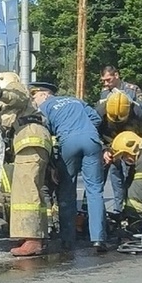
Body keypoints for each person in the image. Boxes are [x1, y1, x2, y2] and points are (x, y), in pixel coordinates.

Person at [30, 82, 107, 253]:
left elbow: (45, 135)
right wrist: (84, 131)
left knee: (67, 190)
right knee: (95, 189)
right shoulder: (75, 100)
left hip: (68, 143)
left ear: (45, 94)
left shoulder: (44, 108)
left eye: (34, 96)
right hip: (91, 141)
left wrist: (52, 164)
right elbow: (96, 118)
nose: (33, 100)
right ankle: (98, 239)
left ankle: (67, 239)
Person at [0, 72, 52, 256]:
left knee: (25, 191)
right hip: (32, 140)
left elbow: (16, 96)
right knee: (33, 189)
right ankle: (36, 236)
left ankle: (32, 240)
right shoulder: (22, 105)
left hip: (29, 139)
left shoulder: (15, 88)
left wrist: (1, 94)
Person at [95, 90, 142, 213]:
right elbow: (91, 133)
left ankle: (126, 210)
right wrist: (103, 150)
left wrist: (135, 155)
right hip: (106, 142)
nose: (117, 122)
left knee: (132, 179)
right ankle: (89, 211)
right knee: (97, 177)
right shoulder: (99, 111)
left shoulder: (138, 113)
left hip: (129, 146)